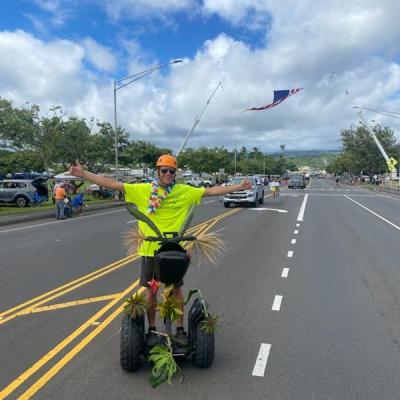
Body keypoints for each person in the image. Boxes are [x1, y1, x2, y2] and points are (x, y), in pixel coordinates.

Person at [69, 154, 252, 347]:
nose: (168, 174)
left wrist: (238, 187)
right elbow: (113, 185)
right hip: (150, 250)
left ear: (175, 173)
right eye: (164, 171)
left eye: (171, 171)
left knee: (176, 290)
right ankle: (152, 330)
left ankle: (180, 330)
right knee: (151, 292)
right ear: (157, 171)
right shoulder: (143, 190)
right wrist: (85, 174)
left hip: (175, 249)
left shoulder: (184, 191)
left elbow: (210, 191)